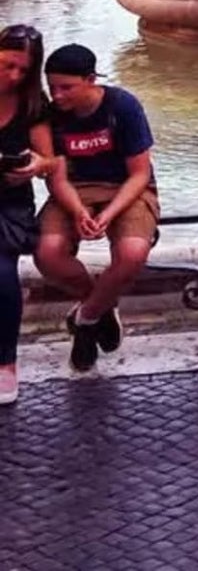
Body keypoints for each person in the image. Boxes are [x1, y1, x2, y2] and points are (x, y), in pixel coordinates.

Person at [34, 43, 159, 372]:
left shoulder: (123, 106)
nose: (57, 96)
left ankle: (86, 318)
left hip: (126, 188)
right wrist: (79, 211)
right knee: (47, 253)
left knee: (132, 253)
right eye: (52, 87)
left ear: (91, 80)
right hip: (73, 189)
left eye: (66, 88)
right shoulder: (51, 115)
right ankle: (103, 305)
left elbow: (140, 173)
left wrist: (107, 214)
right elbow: (56, 177)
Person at [0, 24, 59, 406]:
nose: (14, 75)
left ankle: (5, 362)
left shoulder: (32, 103)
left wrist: (36, 165)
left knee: (1, 272)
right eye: (7, 65)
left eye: (23, 70)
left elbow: (51, 161)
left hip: (8, 205)